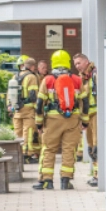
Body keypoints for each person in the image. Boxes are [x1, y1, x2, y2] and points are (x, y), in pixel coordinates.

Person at [33, 50, 85, 190]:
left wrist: (39, 123)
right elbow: (84, 102)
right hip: (72, 119)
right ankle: (65, 181)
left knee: (49, 149)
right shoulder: (76, 79)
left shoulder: (48, 80)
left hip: (52, 119)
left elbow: (39, 104)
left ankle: (46, 181)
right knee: (69, 150)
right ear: (68, 62)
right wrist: (84, 121)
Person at [10, 56, 40, 163]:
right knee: (28, 132)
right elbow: (33, 95)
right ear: (32, 66)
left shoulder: (15, 76)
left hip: (17, 109)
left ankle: (17, 154)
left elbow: (10, 94)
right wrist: (38, 109)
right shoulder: (31, 77)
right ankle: (26, 156)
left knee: (17, 133)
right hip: (28, 109)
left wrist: (10, 107)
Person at [75, 53, 98, 187]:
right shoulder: (81, 78)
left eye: (79, 63)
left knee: (96, 145)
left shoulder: (94, 74)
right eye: (75, 64)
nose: (77, 66)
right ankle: (96, 174)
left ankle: (99, 175)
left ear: (86, 61)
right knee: (90, 146)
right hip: (87, 116)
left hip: (96, 114)